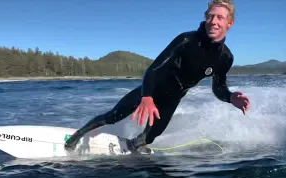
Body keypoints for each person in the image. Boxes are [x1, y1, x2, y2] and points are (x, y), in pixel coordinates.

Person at [65, 0, 250, 154]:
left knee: (151, 136)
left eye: (220, 17)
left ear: (229, 23)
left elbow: (218, 88)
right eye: (210, 16)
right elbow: (153, 69)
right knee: (114, 115)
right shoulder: (187, 40)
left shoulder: (225, 57)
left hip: (174, 97)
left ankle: (131, 147)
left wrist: (230, 97)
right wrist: (147, 97)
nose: (213, 21)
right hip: (153, 88)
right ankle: (77, 136)